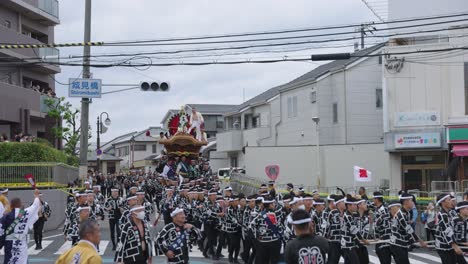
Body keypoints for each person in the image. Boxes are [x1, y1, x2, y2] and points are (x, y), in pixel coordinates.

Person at [0, 189, 41, 264]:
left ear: (11, 206)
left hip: (10, 245)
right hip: (22, 245)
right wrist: (36, 196)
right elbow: (35, 206)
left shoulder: (6, 217)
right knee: (23, 260)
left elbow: (1, 232)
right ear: (20, 204)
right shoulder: (26, 213)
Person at [389, 193, 426, 264]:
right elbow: (409, 230)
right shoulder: (401, 215)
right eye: (411, 201)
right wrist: (420, 241)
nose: (413, 203)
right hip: (397, 244)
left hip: (401, 244)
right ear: (405, 202)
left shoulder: (406, 213)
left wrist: (415, 241)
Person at [250, 195, 283, 264]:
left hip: (262, 242)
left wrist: (257, 235)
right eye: (273, 203)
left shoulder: (260, 215)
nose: (274, 205)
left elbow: (252, 225)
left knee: (263, 261)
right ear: (270, 205)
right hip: (274, 242)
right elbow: (281, 228)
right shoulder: (276, 215)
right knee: (274, 261)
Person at [435, 193, 464, 264]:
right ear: (443, 202)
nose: (451, 201)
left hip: (450, 245)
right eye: (449, 200)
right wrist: (455, 245)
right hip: (443, 246)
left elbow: (457, 223)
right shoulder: (442, 215)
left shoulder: (451, 212)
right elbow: (447, 230)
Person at [373, 192, 392, 264]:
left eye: (374, 198)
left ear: (377, 199)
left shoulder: (383, 209)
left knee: (384, 255)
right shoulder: (378, 208)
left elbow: (382, 224)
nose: (373, 200)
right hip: (381, 237)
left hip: (384, 236)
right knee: (379, 252)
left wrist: (377, 234)